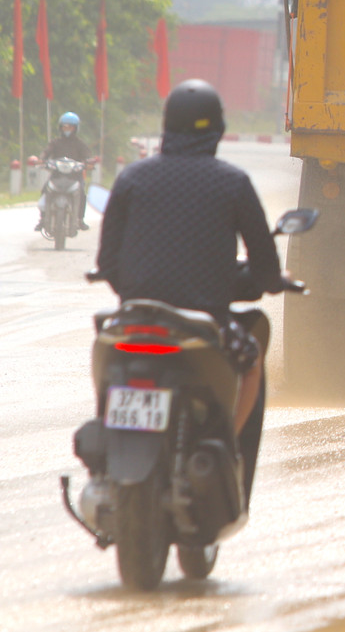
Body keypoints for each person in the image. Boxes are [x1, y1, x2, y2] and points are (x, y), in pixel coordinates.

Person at [95, 80, 285, 476]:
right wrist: (263, 281)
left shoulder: (132, 178)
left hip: (135, 318)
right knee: (249, 360)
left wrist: (134, 291)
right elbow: (265, 267)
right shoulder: (232, 182)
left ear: (166, 127)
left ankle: (108, 437)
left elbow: (108, 262)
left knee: (104, 350)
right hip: (206, 321)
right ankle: (228, 449)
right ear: (216, 130)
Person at [35, 111, 94, 231]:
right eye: (65, 127)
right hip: (56, 175)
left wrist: (88, 163)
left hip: (75, 176)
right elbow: (47, 151)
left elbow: (87, 155)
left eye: (70, 127)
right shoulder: (55, 142)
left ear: (75, 128)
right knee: (45, 189)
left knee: (82, 194)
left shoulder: (80, 143)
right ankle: (43, 218)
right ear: (60, 128)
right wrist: (41, 159)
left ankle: (79, 219)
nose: (67, 129)